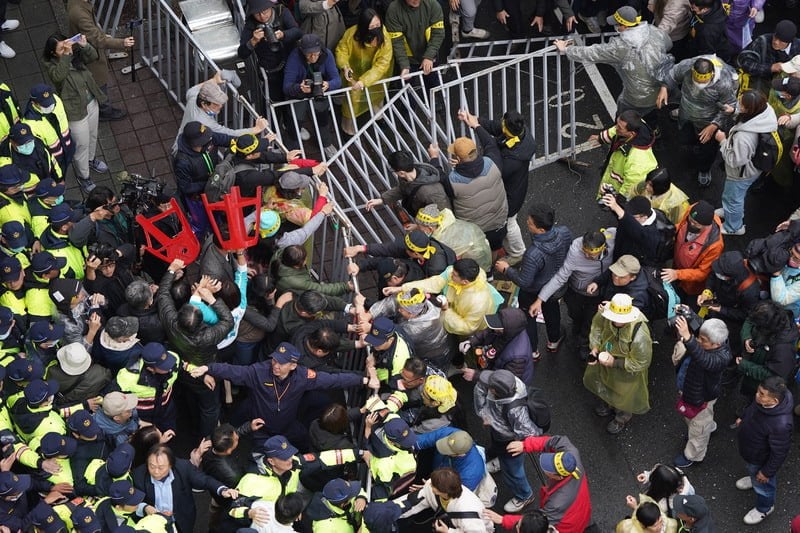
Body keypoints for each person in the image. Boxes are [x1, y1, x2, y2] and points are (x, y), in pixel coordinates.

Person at [190, 342, 375, 450]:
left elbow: (332, 380)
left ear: (293, 366)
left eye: (281, 363)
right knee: (261, 451)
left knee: (303, 440)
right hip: (260, 427)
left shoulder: (303, 377)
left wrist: (363, 381)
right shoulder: (259, 372)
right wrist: (210, 368)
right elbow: (234, 371)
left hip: (288, 424)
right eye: (275, 360)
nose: (275, 365)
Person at [554, 7, 673, 125]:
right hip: (661, 89)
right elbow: (668, 44)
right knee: (650, 112)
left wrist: (566, 49)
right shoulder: (652, 31)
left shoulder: (621, 46)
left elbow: (592, 53)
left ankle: (621, 138)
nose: (615, 26)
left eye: (617, 24)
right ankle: (654, 130)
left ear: (625, 26)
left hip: (637, 97)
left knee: (624, 119)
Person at [496, 203, 572, 359]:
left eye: (530, 223)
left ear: (541, 230)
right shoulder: (564, 232)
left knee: (528, 317)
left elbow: (524, 281)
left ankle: (532, 351)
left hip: (533, 291)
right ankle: (553, 341)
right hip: (555, 288)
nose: (527, 224)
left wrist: (506, 269)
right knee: (552, 312)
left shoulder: (533, 254)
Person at [43, 33, 107, 193]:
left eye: (66, 44)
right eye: (61, 48)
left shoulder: (74, 52)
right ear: (53, 53)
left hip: (90, 101)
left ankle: (91, 160)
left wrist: (85, 45)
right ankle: (83, 176)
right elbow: (59, 76)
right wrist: (66, 55)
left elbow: (92, 57)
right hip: (74, 111)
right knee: (81, 145)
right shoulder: (52, 66)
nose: (66, 48)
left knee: (93, 135)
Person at [658, 57, 738, 187]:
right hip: (686, 112)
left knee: (707, 149)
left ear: (712, 75)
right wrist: (664, 87)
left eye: (704, 81)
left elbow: (729, 107)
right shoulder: (687, 67)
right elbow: (672, 74)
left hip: (708, 122)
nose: (699, 84)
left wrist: (714, 125)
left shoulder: (723, 83)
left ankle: (704, 169)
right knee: (685, 138)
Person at [474, 369, 542, 512]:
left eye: (490, 387)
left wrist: (522, 445)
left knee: (514, 472)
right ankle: (501, 460)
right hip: (501, 437)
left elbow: (530, 433)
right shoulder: (508, 385)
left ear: (496, 391)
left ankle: (525, 495)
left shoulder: (515, 409)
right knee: (502, 453)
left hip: (511, 442)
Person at [584, 293, 652, 434]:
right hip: (606, 362)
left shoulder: (640, 335)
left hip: (626, 372)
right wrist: (595, 348)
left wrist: (615, 363)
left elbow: (641, 362)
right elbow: (597, 328)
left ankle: (621, 418)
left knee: (624, 394)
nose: (614, 321)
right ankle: (609, 404)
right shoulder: (605, 314)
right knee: (606, 383)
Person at [133, 444, 239, 533]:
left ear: (171, 465)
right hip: (153, 523)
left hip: (181, 519)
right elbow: (133, 502)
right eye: (151, 466)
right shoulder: (138, 475)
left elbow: (204, 480)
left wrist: (222, 490)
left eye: (161, 467)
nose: (156, 471)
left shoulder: (183, 467)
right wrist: (146, 508)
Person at [385, 258, 503, 337]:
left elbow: (467, 327)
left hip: (471, 322)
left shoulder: (478, 302)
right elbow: (435, 283)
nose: (450, 275)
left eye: (454, 275)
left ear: (465, 282)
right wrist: (401, 288)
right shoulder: (456, 274)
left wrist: (446, 310)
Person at [715, 90, 778, 235]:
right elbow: (749, 117)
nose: (738, 104)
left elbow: (734, 160)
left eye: (741, 104)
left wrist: (722, 140)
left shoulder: (744, 137)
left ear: (749, 109)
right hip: (753, 168)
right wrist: (734, 112)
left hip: (741, 174)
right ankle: (729, 211)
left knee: (733, 199)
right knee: (733, 196)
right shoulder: (765, 111)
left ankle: (734, 227)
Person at [499, 434, 592, 533]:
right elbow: (554, 441)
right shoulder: (571, 455)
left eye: (548, 470)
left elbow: (537, 523)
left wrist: (503, 520)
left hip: (567, 525)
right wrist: (525, 445)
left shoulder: (557, 503)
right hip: (581, 508)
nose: (544, 470)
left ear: (559, 477)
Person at [672, 317, 732, 468]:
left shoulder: (721, 357)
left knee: (699, 429)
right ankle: (709, 427)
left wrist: (688, 338)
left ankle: (693, 455)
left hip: (701, 398)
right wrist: (688, 314)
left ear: (716, 344)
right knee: (695, 421)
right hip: (691, 392)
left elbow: (705, 360)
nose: (698, 341)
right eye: (698, 337)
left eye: (703, 340)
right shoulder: (707, 345)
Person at [735, 376, 793, 525]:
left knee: (764, 487)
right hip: (751, 451)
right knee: (753, 471)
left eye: (761, 394)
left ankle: (765, 508)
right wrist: (743, 417)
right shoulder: (763, 402)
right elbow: (751, 408)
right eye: (758, 391)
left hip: (760, 459)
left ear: (774, 401)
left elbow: (779, 453)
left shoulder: (781, 425)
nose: (756, 395)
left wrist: (766, 472)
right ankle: (754, 478)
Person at [479, 110, 535, 263]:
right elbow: (495, 127)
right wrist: (477, 122)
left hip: (510, 196)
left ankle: (518, 252)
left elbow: (494, 167)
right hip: (515, 188)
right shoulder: (520, 132)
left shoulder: (512, 161)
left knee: (509, 223)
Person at [67, 0, 133, 121]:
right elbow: (97, 39)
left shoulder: (76, 4)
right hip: (89, 53)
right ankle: (105, 111)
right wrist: (121, 43)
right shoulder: (80, 14)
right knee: (99, 80)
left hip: (84, 47)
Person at [173, 72, 268, 151]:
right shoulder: (205, 123)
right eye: (216, 105)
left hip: (180, 144)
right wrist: (256, 129)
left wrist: (214, 80)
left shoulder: (193, 97)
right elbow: (230, 134)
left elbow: (193, 89)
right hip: (189, 152)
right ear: (204, 104)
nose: (220, 108)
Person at [335, 9, 394, 135]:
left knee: (377, 98)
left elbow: (381, 65)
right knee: (351, 104)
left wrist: (364, 81)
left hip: (376, 77)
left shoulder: (385, 38)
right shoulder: (351, 34)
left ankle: (378, 118)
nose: (375, 29)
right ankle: (348, 130)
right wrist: (345, 66)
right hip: (354, 75)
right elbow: (342, 50)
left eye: (377, 26)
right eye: (371, 26)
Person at [283, 33, 342, 155]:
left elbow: (337, 80)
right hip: (299, 96)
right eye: (308, 54)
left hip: (319, 93)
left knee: (323, 119)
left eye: (316, 53)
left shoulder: (327, 55)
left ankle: (325, 143)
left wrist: (328, 85)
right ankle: (292, 150)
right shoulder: (294, 58)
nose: (312, 57)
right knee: (295, 122)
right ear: (302, 51)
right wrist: (299, 88)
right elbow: (287, 86)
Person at [366, 288, 453, 370]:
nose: (399, 310)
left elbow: (395, 336)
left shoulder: (420, 327)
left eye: (402, 309)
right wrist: (370, 314)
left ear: (411, 314)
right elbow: (393, 302)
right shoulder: (418, 305)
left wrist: (372, 329)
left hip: (434, 352)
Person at [237, 0, 303, 107]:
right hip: (271, 71)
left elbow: (298, 32)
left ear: (271, 7)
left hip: (291, 64)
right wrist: (253, 41)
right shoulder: (251, 24)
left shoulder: (282, 12)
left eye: (265, 11)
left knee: (294, 101)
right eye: (257, 14)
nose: (262, 17)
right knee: (275, 104)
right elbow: (242, 53)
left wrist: (283, 35)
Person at [394, 468, 493, 532]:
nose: (428, 484)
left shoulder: (468, 514)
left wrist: (448, 532)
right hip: (450, 519)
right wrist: (389, 513)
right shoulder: (437, 487)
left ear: (443, 491)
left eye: (433, 485)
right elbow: (411, 503)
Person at [736, 300, 798, 400]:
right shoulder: (769, 314)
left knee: (754, 399)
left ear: (766, 326)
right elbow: (749, 320)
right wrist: (746, 337)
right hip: (752, 367)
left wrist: (745, 366)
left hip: (760, 385)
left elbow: (774, 376)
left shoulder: (784, 350)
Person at [661, 201, 724, 298]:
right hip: (677, 263)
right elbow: (681, 224)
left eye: (696, 224)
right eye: (690, 220)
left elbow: (702, 272)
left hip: (689, 281)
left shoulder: (714, 245)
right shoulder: (693, 211)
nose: (691, 224)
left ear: (706, 226)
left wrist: (678, 274)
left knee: (683, 295)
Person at [590, 110, 658, 199]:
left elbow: (630, 187)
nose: (615, 128)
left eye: (619, 127)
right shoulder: (636, 125)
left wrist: (618, 202)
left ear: (631, 134)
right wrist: (602, 138)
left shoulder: (638, 160)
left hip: (618, 192)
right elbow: (616, 130)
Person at [460, 308, 534, 386]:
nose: (494, 328)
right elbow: (489, 331)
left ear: (506, 329)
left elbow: (505, 382)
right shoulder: (509, 330)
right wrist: (471, 341)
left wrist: (476, 376)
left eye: (497, 327)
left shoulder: (517, 358)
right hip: (496, 367)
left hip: (508, 387)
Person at [367, 150, 452, 219]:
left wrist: (419, 226)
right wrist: (382, 200)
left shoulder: (431, 192)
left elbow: (444, 215)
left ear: (401, 173)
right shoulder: (408, 176)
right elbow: (403, 188)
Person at [413, 204, 491, 273]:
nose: (420, 230)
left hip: (473, 262)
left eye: (420, 228)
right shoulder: (445, 222)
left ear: (430, 228)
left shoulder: (443, 239)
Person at [384, 0, 445, 81]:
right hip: (408, 58)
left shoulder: (432, 4)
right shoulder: (394, 10)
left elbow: (438, 34)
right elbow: (397, 42)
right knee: (408, 90)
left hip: (430, 53)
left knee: (434, 86)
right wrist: (404, 65)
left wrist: (429, 56)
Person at [738, 20, 800, 96]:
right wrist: (770, 68)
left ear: (789, 42)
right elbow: (745, 64)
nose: (776, 42)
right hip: (762, 83)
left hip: (786, 86)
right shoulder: (762, 42)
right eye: (776, 37)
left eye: (781, 41)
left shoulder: (797, 47)